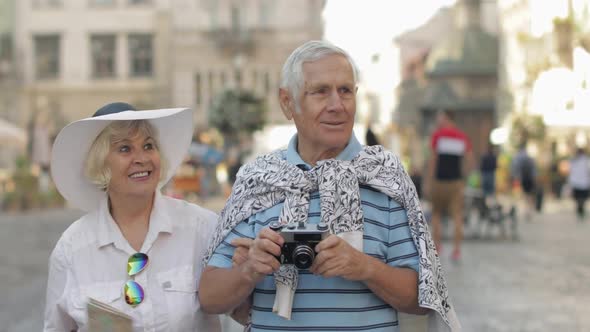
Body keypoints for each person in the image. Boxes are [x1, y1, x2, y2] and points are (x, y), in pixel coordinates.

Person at [199, 40, 460, 331]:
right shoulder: (258, 181)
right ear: (288, 102)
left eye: (345, 91)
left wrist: (363, 267)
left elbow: (424, 298)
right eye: (321, 92)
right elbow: (209, 298)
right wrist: (249, 270)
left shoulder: (385, 177)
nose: (337, 105)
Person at [43, 102, 221, 331]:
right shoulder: (71, 249)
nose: (141, 158)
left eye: (148, 146)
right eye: (125, 149)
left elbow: (241, 309)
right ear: (100, 164)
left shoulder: (201, 228)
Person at [428, 109, 473, 261]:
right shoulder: (462, 137)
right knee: (457, 216)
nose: (439, 121)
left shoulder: (437, 135)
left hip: (440, 180)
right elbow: (469, 159)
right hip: (456, 182)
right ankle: (456, 250)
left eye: (441, 118)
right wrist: (464, 177)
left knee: (436, 214)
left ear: (447, 118)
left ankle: (437, 246)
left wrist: (430, 180)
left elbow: (433, 159)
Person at [510, 142, 537, 222]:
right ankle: (528, 210)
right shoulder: (529, 157)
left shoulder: (517, 157)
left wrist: (514, 177)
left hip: (521, 179)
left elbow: (514, 168)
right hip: (529, 179)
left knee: (522, 195)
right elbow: (534, 170)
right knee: (529, 195)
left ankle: (524, 210)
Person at [567, 147, 590, 221]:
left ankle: (579, 208)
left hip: (576, 182)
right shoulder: (586, 160)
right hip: (584, 182)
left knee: (578, 198)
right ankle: (581, 208)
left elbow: (570, 172)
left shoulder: (574, 161)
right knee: (582, 198)